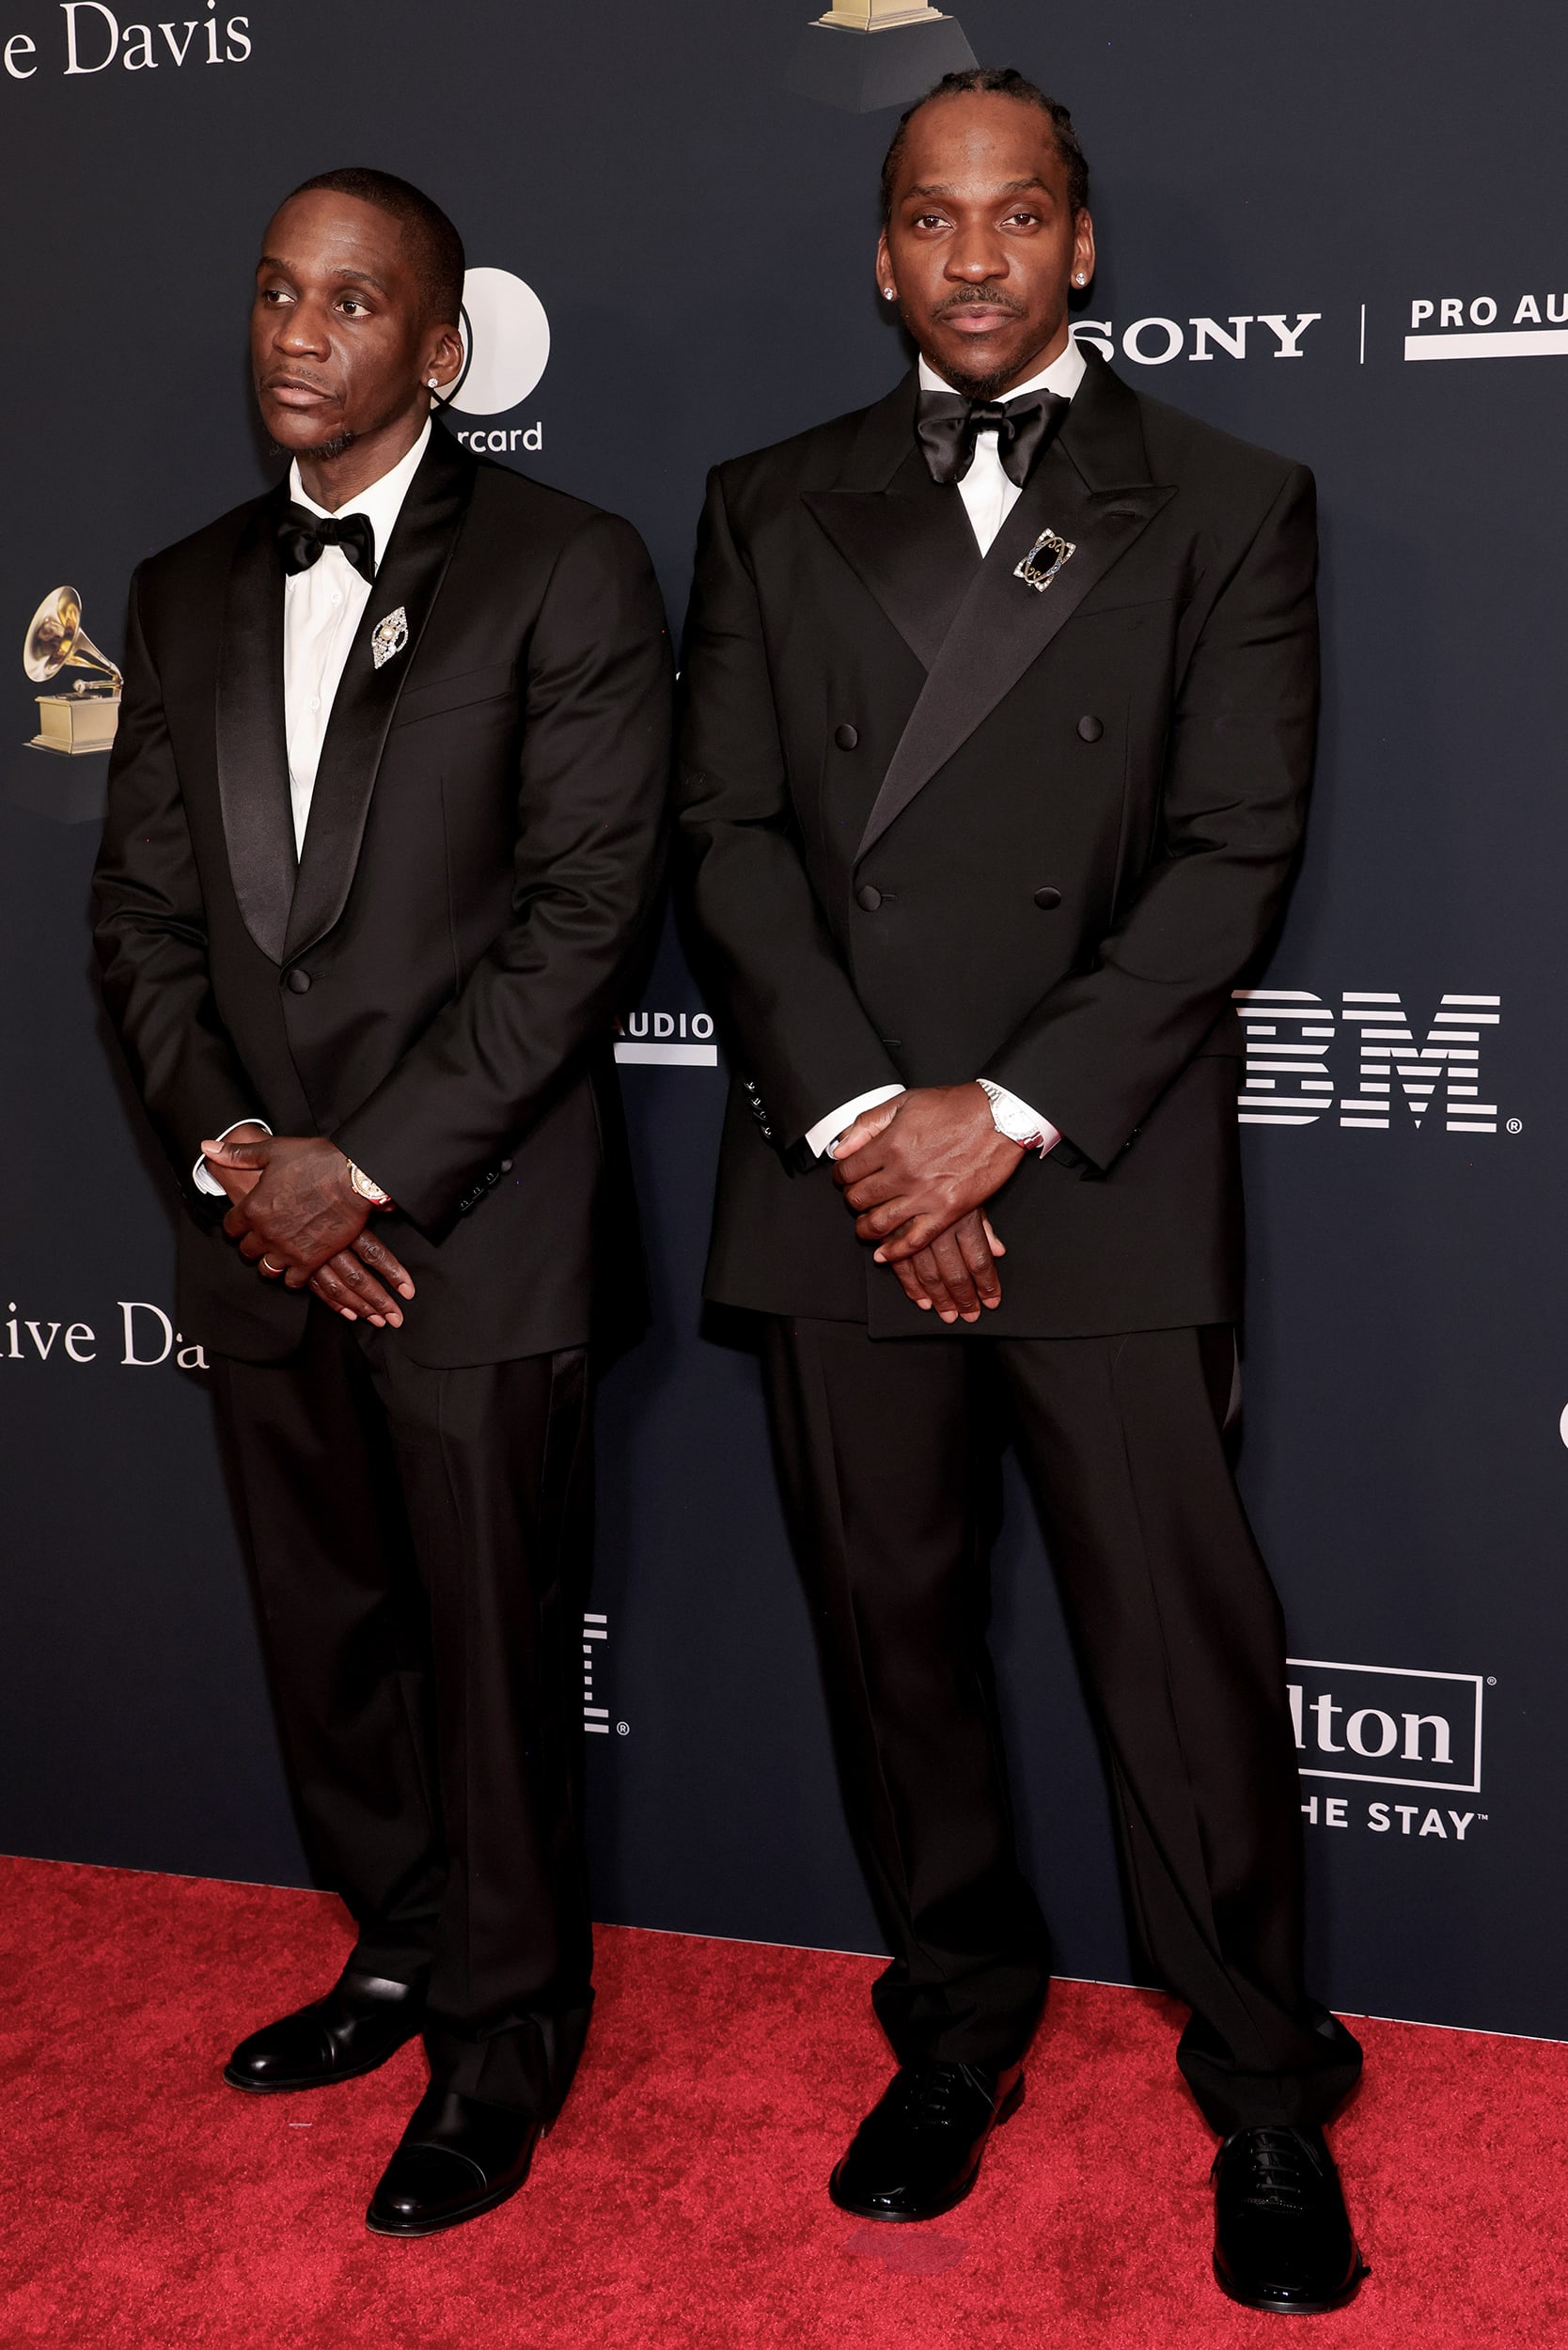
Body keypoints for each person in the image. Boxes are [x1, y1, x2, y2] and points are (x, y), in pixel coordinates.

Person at [677, 69, 1363, 2314]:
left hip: (1100, 1162)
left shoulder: (1235, 497)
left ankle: (1265, 2084)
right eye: (929, 219)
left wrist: (1010, 1115)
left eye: (1017, 214)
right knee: (895, 1649)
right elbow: (733, 844)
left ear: (1083, 245)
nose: (972, 257)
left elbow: (1229, 852)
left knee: (1182, 1662)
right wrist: (882, 1120)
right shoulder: (765, 503)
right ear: (883, 257)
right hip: (844, 1170)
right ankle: (954, 2027)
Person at [92, 167, 670, 2237]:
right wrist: (243, 1160)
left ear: (441, 349)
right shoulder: (170, 592)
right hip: (258, 1227)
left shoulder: (567, 567)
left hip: (473, 1224)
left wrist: (376, 1166)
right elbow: (145, 921)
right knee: (329, 1634)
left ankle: (510, 2026)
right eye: (272, 292)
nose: (296, 333)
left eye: (351, 302)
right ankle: (403, 1939)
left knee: (496, 1651)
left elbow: (592, 909)